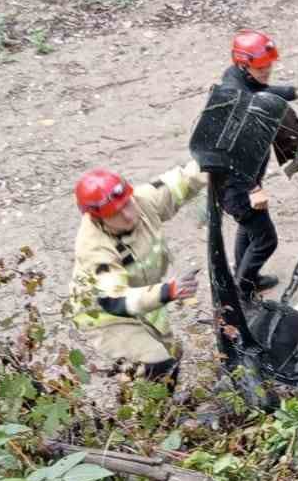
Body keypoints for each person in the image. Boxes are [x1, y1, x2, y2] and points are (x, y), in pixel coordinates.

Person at [69, 162, 206, 389]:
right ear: (98, 219)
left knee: (172, 354)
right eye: (116, 214)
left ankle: (164, 409)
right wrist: (169, 291)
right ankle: (142, 419)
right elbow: (114, 300)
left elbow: (181, 181)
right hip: (106, 317)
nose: (128, 214)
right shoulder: (94, 248)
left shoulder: (141, 200)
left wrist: (212, 166)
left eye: (127, 204)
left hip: (144, 297)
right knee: (156, 362)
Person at [219, 30, 298, 298]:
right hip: (237, 181)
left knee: (249, 227)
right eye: (261, 67)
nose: (267, 71)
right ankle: (242, 292)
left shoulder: (239, 78)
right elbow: (233, 152)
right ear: (244, 64)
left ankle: (245, 278)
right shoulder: (237, 101)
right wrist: (253, 188)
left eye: (268, 66)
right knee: (266, 240)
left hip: (239, 179)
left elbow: (264, 91)